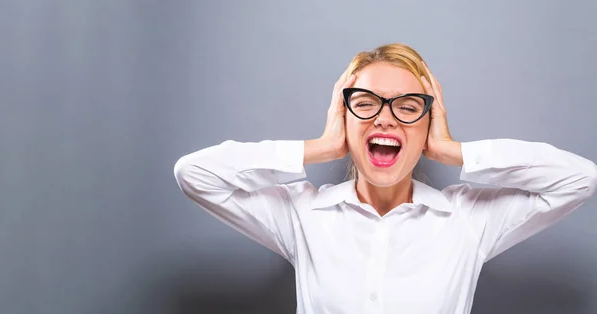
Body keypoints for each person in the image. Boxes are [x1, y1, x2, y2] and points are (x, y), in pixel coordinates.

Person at [173, 43, 597, 314]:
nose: (385, 117)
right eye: (366, 103)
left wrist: (456, 151)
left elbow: (580, 178)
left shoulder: (467, 219)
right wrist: (321, 146)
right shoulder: (303, 215)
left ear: (429, 125)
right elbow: (195, 174)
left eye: (408, 106)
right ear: (345, 117)